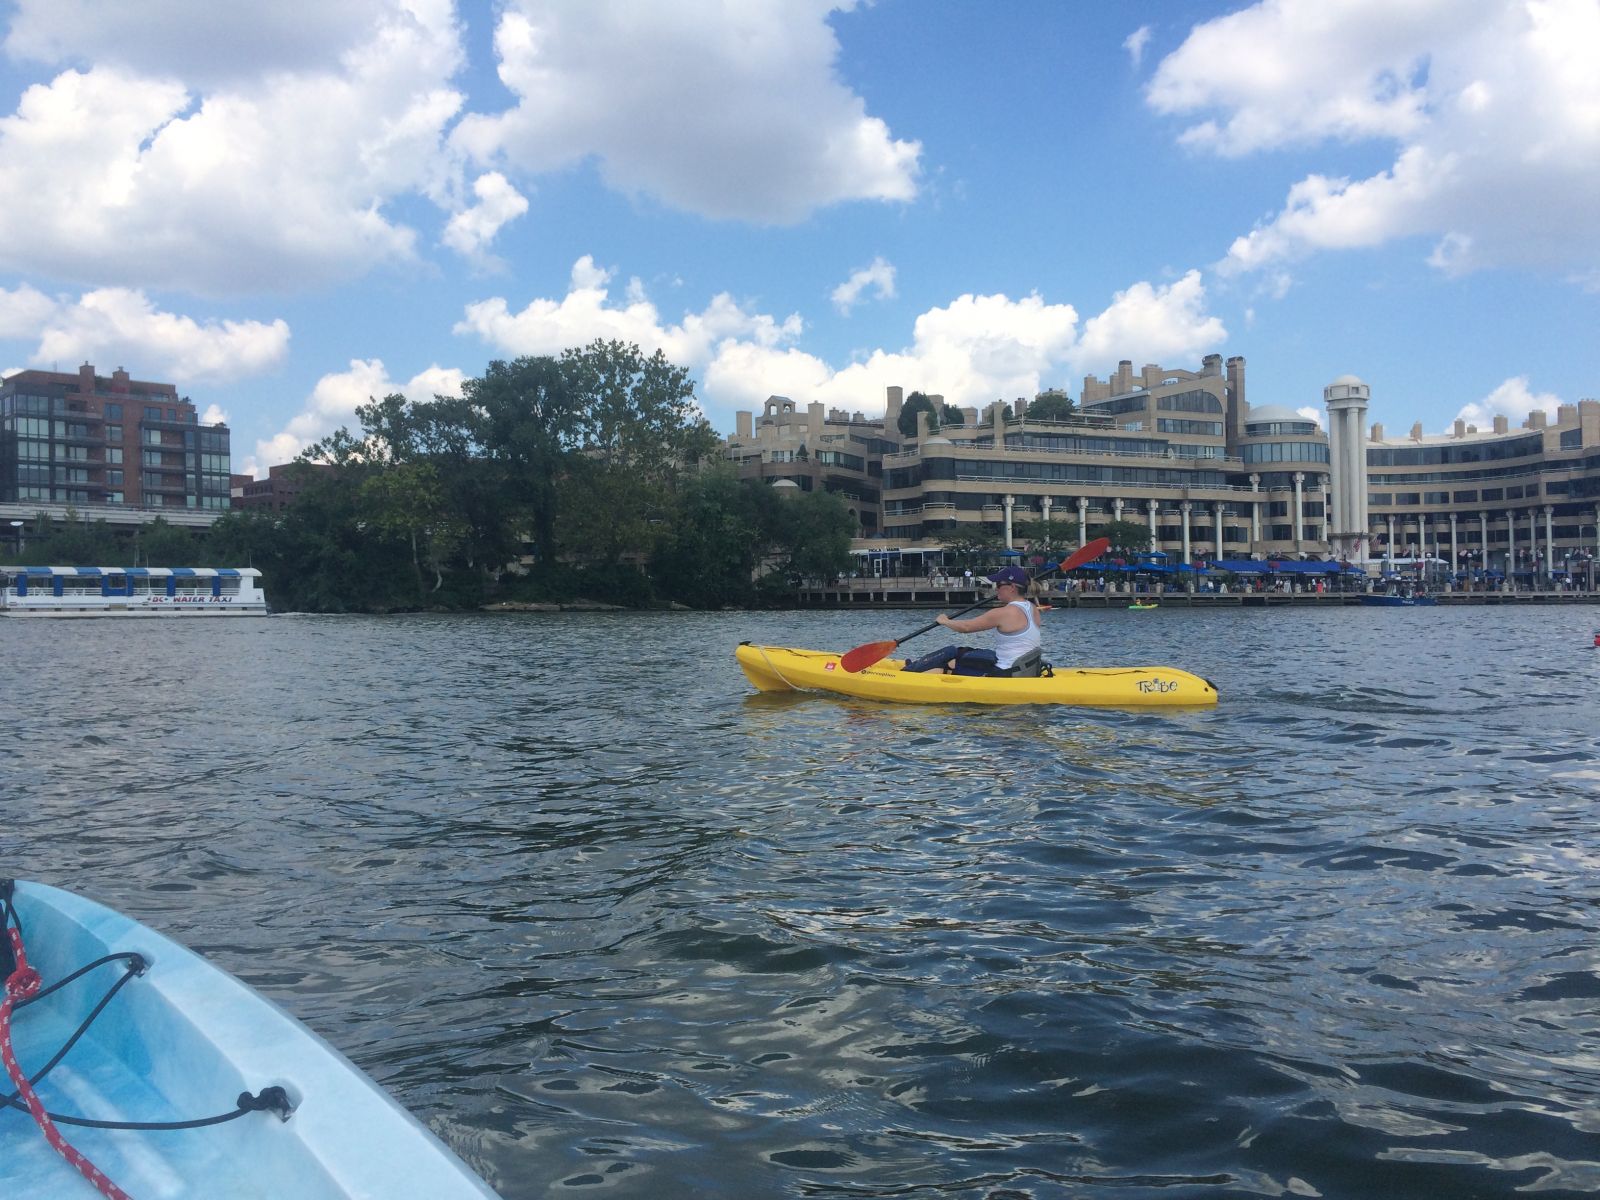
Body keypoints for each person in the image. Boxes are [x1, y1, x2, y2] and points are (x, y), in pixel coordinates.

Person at [901, 566, 1044, 676]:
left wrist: (945, 621)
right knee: (963, 651)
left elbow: (966, 627)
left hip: (1005, 672)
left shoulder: (1004, 612)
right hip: (1024, 668)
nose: (996, 589)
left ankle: (909, 671)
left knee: (950, 652)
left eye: (999, 585)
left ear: (1012, 587)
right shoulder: (1033, 608)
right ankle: (919, 666)